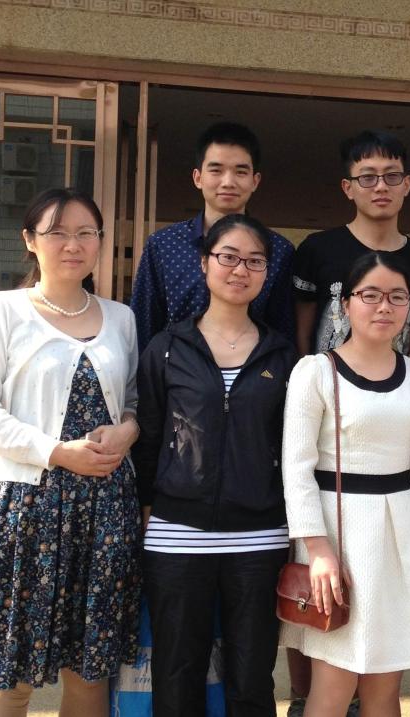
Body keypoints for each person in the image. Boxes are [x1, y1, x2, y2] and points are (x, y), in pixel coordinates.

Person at [0, 189, 142, 717]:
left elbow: (134, 400)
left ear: (100, 242)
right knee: (12, 675)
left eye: (86, 233)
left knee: (90, 670)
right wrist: (56, 452)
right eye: (58, 233)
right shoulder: (3, 310)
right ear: (30, 241)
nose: (73, 245)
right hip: (31, 508)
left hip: (107, 509)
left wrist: (128, 431)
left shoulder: (121, 318)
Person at [133, 214, 298, 716]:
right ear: (205, 264)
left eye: (254, 261)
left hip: (260, 537)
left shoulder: (284, 355)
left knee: (252, 677)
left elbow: (294, 446)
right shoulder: (166, 348)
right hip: (176, 533)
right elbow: (149, 436)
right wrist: (146, 510)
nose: (240, 269)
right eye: (228, 257)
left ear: (266, 272)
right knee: (176, 673)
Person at [281, 252, 410, 717]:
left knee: (384, 689)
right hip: (338, 538)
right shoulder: (315, 371)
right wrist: (317, 549)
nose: (384, 307)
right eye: (370, 295)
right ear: (345, 303)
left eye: (397, 297)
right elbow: (296, 467)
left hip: (399, 538)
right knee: (333, 687)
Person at [131, 121, 294, 351]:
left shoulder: (278, 249)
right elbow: (143, 325)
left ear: (255, 181)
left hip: (253, 370)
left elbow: (282, 333)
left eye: (240, 172)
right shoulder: (163, 245)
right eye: (216, 170)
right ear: (198, 177)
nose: (228, 182)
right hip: (175, 369)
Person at [292, 130, 410, 357]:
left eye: (392, 176)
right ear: (348, 188)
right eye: (368, 177)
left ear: (407, 184)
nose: (381, 186)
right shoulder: (317, 249)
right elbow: (302, 331)